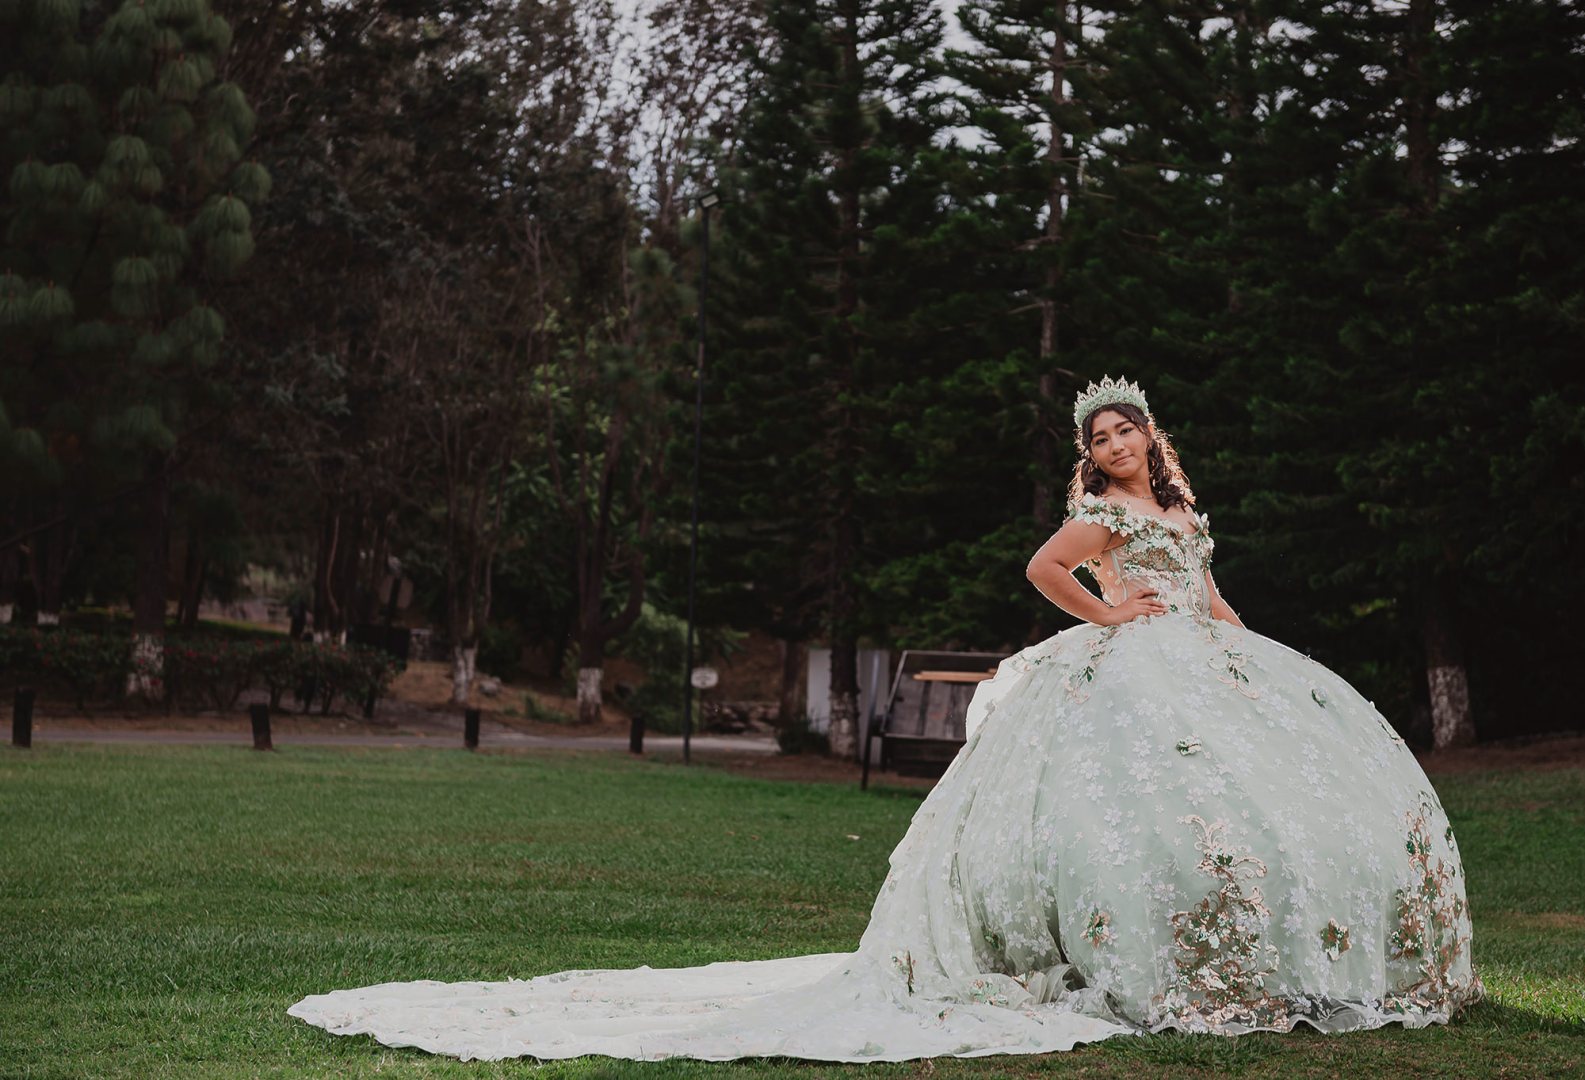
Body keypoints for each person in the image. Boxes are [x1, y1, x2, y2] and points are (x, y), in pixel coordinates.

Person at [288, 376, 1483, 1062]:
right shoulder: (1104, 517)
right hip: (1131, 665)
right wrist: (1111, 615)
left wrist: (1242, 645)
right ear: (1091, 456)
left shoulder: (1178, 507)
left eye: (1125, 429)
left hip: (1206, 658)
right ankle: (1146, 960)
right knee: (1143, 812)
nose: (1116, 445)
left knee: (1253, 804)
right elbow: (1042, 571)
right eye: (1099, 438)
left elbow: (1212, 591)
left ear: (1150, 434)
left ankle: (1277, 957)